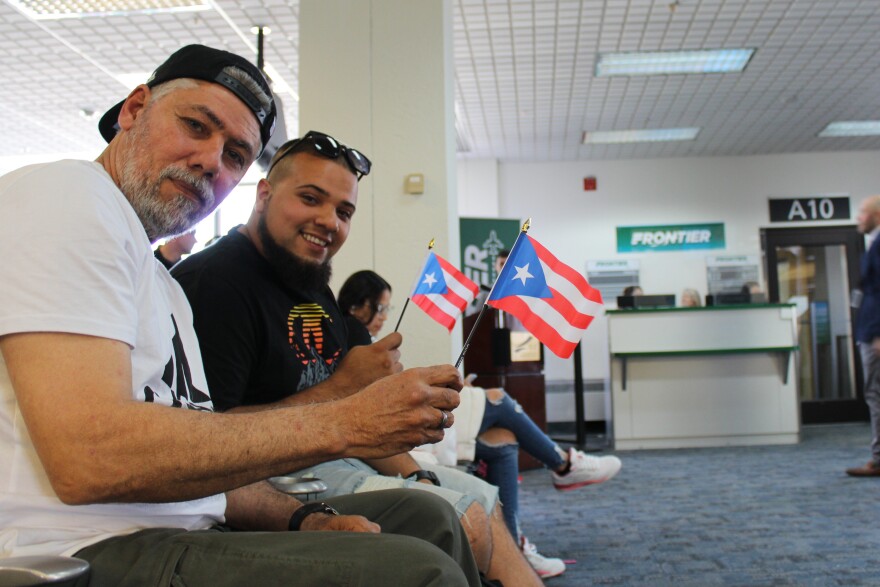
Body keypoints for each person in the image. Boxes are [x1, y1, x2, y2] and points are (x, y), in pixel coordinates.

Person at [0, 45, 481, 586]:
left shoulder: (163, 285)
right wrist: (346, 420)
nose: (211, 160)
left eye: (234, 154)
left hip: (185, 529)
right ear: (134, 110)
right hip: (79, 550)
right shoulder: (68, 195)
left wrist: (303, 519)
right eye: (195, 126)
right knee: (418, 571)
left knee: (430, 520)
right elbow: (88, 455)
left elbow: (204, 461)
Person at [172, 132, 539, 584]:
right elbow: (206, 441)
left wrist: (416, 473)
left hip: (340, 457)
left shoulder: (311, 281)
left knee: (484, 497)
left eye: (344, 212)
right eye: (311, 198)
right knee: (462, 516)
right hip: (269, 481)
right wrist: (344, 388)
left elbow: (356, 418)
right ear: (264, 194)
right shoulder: (213, 283)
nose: (329, 221)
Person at [340, 269, 623, 578]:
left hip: (402, 419)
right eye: (381, 308)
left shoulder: (360, 338)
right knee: (498, 399)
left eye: (387, 309)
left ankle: (514, 543)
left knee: (503, 438)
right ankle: (563, 464)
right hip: (400, 427)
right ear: (358, 306)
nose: (383, 317)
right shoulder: (353, 336)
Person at [848, 195, 880, 477]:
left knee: (876, 395)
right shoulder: (872, 245)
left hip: (875, 333)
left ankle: (879, 459)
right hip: (869, 330)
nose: (858, 217)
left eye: (862, 212)